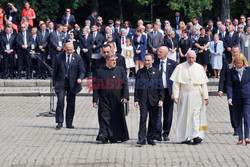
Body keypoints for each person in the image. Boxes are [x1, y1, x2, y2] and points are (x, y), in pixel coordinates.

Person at [170, 50, 209, 144]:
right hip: (184, 94)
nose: (191, 60)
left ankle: (197, 135)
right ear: (186, 57)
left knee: (196, 115)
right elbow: (176, 84)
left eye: (192, 58)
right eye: (189, 58)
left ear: (195, 58)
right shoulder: (180, 67)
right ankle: (185, 137)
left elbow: (203, 84)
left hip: (197, 95)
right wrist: (176, 96)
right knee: (184, 116)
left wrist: (206, 97)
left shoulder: (199, 68)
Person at [93, 54, 129, 143]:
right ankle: (104, 135)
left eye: (115, 60)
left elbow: (125, 84)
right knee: (104, 117)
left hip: (117, 99)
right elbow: (96, 87)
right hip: (104, 99)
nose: (114, 62)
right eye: (112, 60)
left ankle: (114, 136)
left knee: (116, 118)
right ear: (107, 61)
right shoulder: (100, 71)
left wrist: (125, 97)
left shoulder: (120, 70)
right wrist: (95, 100)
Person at [53, 42, 85, 130]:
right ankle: (59, 122)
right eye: (68, 50)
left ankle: (69, 123)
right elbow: (55, 71)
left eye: (71, 50)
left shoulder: (77, 57)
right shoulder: (59, 57)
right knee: (60, 101)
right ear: (64, 49)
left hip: (73, 83)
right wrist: (54, 84)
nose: (69, 52)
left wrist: (80, 78)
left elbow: (82, 70)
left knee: (71, 103)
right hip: (61, 82)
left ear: (73, 49)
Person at [134, 54, 164, 145]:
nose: (146, 62)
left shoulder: (158, 72)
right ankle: (141, 138)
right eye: (145, 60)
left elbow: (160, 88)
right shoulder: (140, 72)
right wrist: (136, 99)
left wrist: (161, 99)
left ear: (152, 61)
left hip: (154, 100)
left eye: (148, 60)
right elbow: (137, 87)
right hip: (143, 100)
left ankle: (150, 138)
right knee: (143, 118)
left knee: (153, 119)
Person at [153, 46, 177, 141]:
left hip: (168, 91)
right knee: (157, 113)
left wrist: (174, 93)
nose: (158, 53)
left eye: (160, 52)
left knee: (168, 114)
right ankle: (157, 133)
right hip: (157, 92)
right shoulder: (154, 62)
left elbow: (176, 79)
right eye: (158, 51)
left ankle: (166, 133)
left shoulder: (173, 64)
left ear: (166, 54)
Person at [227, 53, 250, 145]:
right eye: (237, 63)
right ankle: (240, 137)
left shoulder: (248, 70)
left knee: (247, 116)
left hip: (247, 96)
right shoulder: (231, 71)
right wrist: (230, 97)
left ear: (243, 62)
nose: (238, 65)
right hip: (236, 97)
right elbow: (229, 85)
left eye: (240, 63)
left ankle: (247, 136)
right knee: (238, 117)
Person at [218, 45, 241, 135]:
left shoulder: (243, 60)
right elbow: (222, 76)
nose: (235, 53)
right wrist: (220, 89)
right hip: (230, 88)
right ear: (231, 52)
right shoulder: (227, 61)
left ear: (239, 52)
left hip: (241, 88)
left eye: (237, 52)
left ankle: (241, 126)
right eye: (234, 52)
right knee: (232, 109)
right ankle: (236, 128)